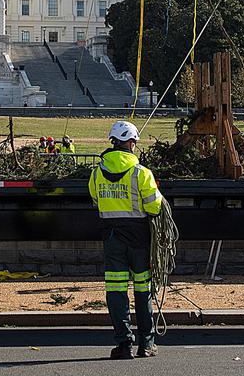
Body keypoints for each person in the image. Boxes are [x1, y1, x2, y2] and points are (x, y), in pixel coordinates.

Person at [88, 120, 163, 359]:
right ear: (131, 143)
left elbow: (96, 201)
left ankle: (123, 345)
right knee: (143, 290)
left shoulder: (97, 173)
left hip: (112, 239)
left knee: (116, 291)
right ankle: (146, 344)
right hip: (139, 238)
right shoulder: (141, 173)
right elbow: (154, 207)